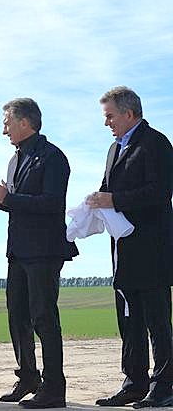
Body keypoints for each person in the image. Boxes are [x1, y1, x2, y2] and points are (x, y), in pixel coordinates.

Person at [0, 98, 77, 409]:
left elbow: (50, 203)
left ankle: (54, 388)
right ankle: (28, 377)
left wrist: (8, 196)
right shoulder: (14, 159)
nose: (3, 129)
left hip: (44, 251)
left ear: (24, 122)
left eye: (6, 122)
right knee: (17, 316)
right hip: (18, 251)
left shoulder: (53, 157)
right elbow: (15, 203)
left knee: (44, 318)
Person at [87, 86, 173, 409]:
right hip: (122, 252)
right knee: (129, 321)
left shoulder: (157, 144)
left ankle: (165, 385)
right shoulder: (114, 149)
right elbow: (108, 188)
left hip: (152, 250)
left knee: (157, 321)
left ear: (129, 113)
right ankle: (134, 382)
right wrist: (95, 201)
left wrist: (115, 200)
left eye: (110, 116)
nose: (106, 123)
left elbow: (160, 192)